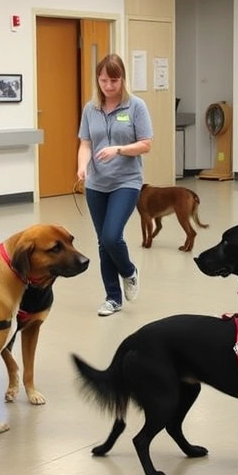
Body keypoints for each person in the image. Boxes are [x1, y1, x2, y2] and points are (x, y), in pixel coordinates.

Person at [77, 53, 153, 317]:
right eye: (103, 80)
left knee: (112, 235)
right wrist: (82, 166)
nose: (108, 86)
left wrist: (118, 149)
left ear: (122, 80)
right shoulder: (91, 109)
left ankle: (129, 272)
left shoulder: (136, 107)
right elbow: (85, 143)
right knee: (102, 242)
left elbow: (146, 144)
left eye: (114, 80)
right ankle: (112, 297)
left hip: (126, 181)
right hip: (97, 184)